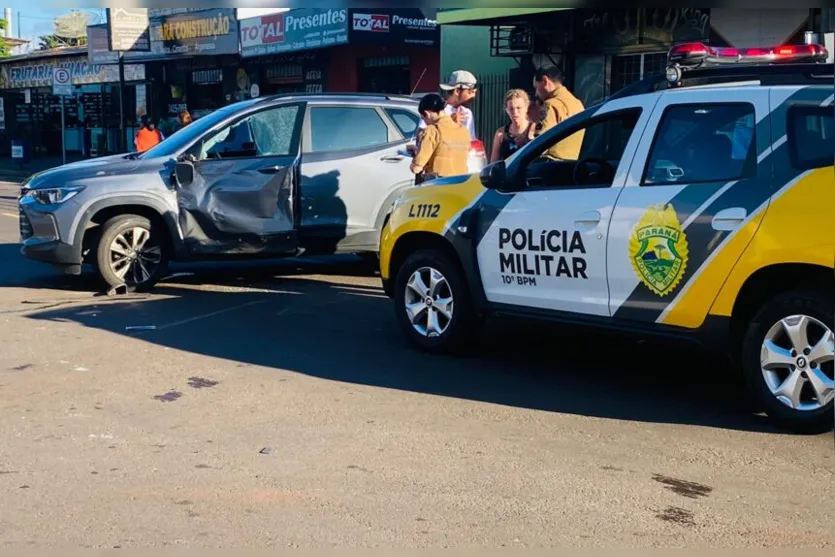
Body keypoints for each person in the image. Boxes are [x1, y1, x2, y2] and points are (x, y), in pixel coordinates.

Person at [410, 93, 471, 184]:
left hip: (438, 185)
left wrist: (415, 155)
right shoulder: (464, 131)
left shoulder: (432, 131)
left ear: (427, 113)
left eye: (423, 117)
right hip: (461, 184)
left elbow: (416, 168)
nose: (425, 122)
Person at [530, 65, 585, 161]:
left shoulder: (550, 105)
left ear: (545, 80)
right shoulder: (578, 103)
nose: (536, 93)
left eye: (536, 87)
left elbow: (540, 142)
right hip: (574, 163)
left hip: (551, 164)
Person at [416, 70, 479, 141]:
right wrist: (448, 123)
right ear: (457, 91)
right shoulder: (436, 108)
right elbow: (420, 137)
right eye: (470, 92)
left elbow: (471, 140)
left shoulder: (467, 113)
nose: (473, 96)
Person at [490, 89, 534, 163]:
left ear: (527, 107)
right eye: (511, 109)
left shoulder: (534, 129)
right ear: (506, 110)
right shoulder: (501, 134)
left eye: (519, 108)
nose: (515, 112)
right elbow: (493, 163)